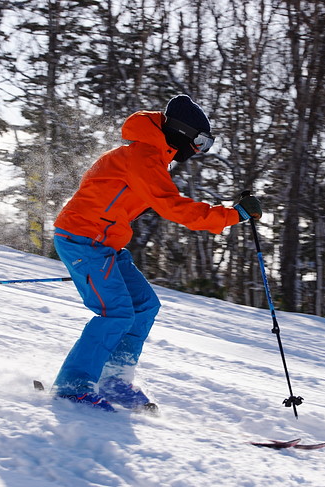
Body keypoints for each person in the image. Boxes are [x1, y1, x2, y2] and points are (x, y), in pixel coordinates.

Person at [52, 94, 262, 412]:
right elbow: (172, 206)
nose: (199, 150)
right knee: (117, 313)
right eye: (200, 142)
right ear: (181, 133)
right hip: (83, 241)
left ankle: (114, 381)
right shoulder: (143, 157)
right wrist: (232, 215)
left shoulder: (148, 157)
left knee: (144, 306)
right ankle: (72, 387)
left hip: (103, 244)